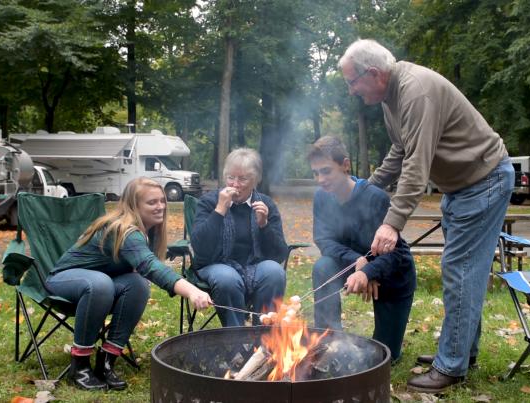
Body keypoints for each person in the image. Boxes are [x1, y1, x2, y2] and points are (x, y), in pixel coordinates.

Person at [339, 39, 514, 392]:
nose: (351, 91)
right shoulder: (391, 98)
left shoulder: (416, 92)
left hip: (483, 181)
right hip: (462, 188)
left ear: (373, 74)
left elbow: (417, 165)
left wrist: (392, 222)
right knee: (467, 272)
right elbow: (401, 152)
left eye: (352, 82)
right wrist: (366, 190)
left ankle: (450, 366)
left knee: (460, 272)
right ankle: (461, 351)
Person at [45, 177, 212, 391]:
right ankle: (80, 366)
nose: (160, 206)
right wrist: (191, 290)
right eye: (152, 202)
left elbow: (141, 271)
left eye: (162, 201)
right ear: (134, 205)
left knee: (138, 284)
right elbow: (151, 267)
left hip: (100, 288)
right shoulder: (124, 230)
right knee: (101, 283)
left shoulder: (148, 231)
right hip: (64, 280)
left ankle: (107, 360)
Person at [309, 136, 416, 364]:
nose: (320, 179)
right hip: (350, 265)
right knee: (323, 266)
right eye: (316, 173)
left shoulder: (374, 197)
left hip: (392, 274)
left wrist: (368, 273)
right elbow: (323, 239)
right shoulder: (321, 197)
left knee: (383, 358)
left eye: (326, 171)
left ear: (345, 165)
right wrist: (357, 261)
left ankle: (388, 343)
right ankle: (329, 338)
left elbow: (396, 253)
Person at [190, 148, 289, 327]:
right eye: (230, 177)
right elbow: (200, 247)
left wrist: (264, 225)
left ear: (256, 180)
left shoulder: (265, 204)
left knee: (274, 272)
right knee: (227, 278)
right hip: (215, 264)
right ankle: (236, 341)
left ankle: (263, 341)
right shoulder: (209, 202)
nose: (235, 184)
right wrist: (219, 210)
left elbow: (279, 254)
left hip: (255, 265)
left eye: (243, 179)